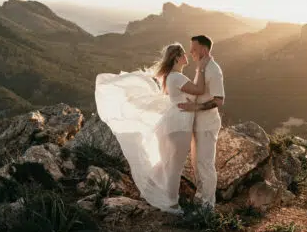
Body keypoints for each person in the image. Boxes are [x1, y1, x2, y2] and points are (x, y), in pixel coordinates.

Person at [94, 42, 210, 214]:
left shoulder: (171, 76)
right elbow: (200, 90)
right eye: (184, 53)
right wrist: (201, 68)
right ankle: (172, 204)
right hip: (179, 126)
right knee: (175, 167)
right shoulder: (177, 77)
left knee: (168, 163)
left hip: (174, 124)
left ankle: (149, 189)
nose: (187, 56)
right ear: (177, 57)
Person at [178, 35, 225, 207]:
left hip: (207, 125)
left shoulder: (213, 69)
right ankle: (200, 197)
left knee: (205, 164)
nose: (190, 52)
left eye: (194, 49)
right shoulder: (202, 67)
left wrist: (195, 108)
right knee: (197, 164)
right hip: (198, 124)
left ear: (204, 50)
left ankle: (208, 205)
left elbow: (219, 100)